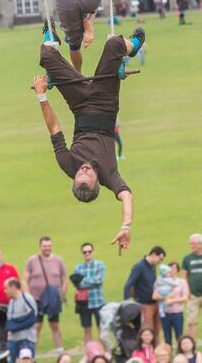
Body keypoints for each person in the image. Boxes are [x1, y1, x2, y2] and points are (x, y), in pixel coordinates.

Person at [34, 28, 144, 252]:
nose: (83, 170)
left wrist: (41, 95)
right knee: (114, 45)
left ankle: (51, 38)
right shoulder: (109, 175)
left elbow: (54, 128)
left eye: (79, 176)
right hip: (105, 101)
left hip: (81, 105)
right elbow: (126, 196)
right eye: (87, 175)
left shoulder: (69, 165)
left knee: (46, 56)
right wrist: (126, 225)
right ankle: (133, 45)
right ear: (96, 183)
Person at [24, 236, 67, 352]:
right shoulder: (32, 261)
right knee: (36, 326)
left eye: (49, 246)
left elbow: (64, 278)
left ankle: (60, 353)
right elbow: (24, 279)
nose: (47, 248)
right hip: (36, 299)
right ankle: (32, 354)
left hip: (53, 299)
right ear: (40, 247)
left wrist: (62, 295)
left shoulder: (58, 261)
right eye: (45, 246)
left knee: (55, 326)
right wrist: (28, 298)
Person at [125, 247, 166, 340]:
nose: (160, 262)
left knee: (157, 330)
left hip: (155, 302)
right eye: (160, 259)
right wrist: (126, 304)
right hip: (145, 304)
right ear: (154, 254)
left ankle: (156, 350)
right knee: (147, 331)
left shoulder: (153, 267)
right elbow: (128, 285)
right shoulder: (139, 266)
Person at [73, 242, 106, 344]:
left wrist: (84, 281)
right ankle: (89, 354)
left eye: (89, 251)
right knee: (87, 330)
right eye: (84, 252)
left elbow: (99, 280)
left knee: (101, 329)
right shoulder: (78, 268)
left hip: (98, 302)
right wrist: (91, 282)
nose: (87, 254)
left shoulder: (100, 265)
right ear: (82, 254)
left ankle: (103, 354)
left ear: (93, 252)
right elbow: (78, 284)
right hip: (84, 303)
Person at [155, 262, 189, 345]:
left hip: (177, 313)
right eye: (170, 268)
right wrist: (165, 298)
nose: (171, 270)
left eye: (174, 268)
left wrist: (172, 300)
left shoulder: (181, 282)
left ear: (177, 270)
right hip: (165, 313)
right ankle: (168, 355)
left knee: (179, 336)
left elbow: (185, 297)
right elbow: (155, 295)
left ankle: (180, 354)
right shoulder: (160, 281)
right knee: (167, 337)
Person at [5, 279, 38, 363]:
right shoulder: (11, 301)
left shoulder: (26, 298)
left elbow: (32, 317)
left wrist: (15, 325)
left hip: (26, 339)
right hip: (14, 340)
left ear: (13, 287)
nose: (5, 291)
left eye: (6, 288)